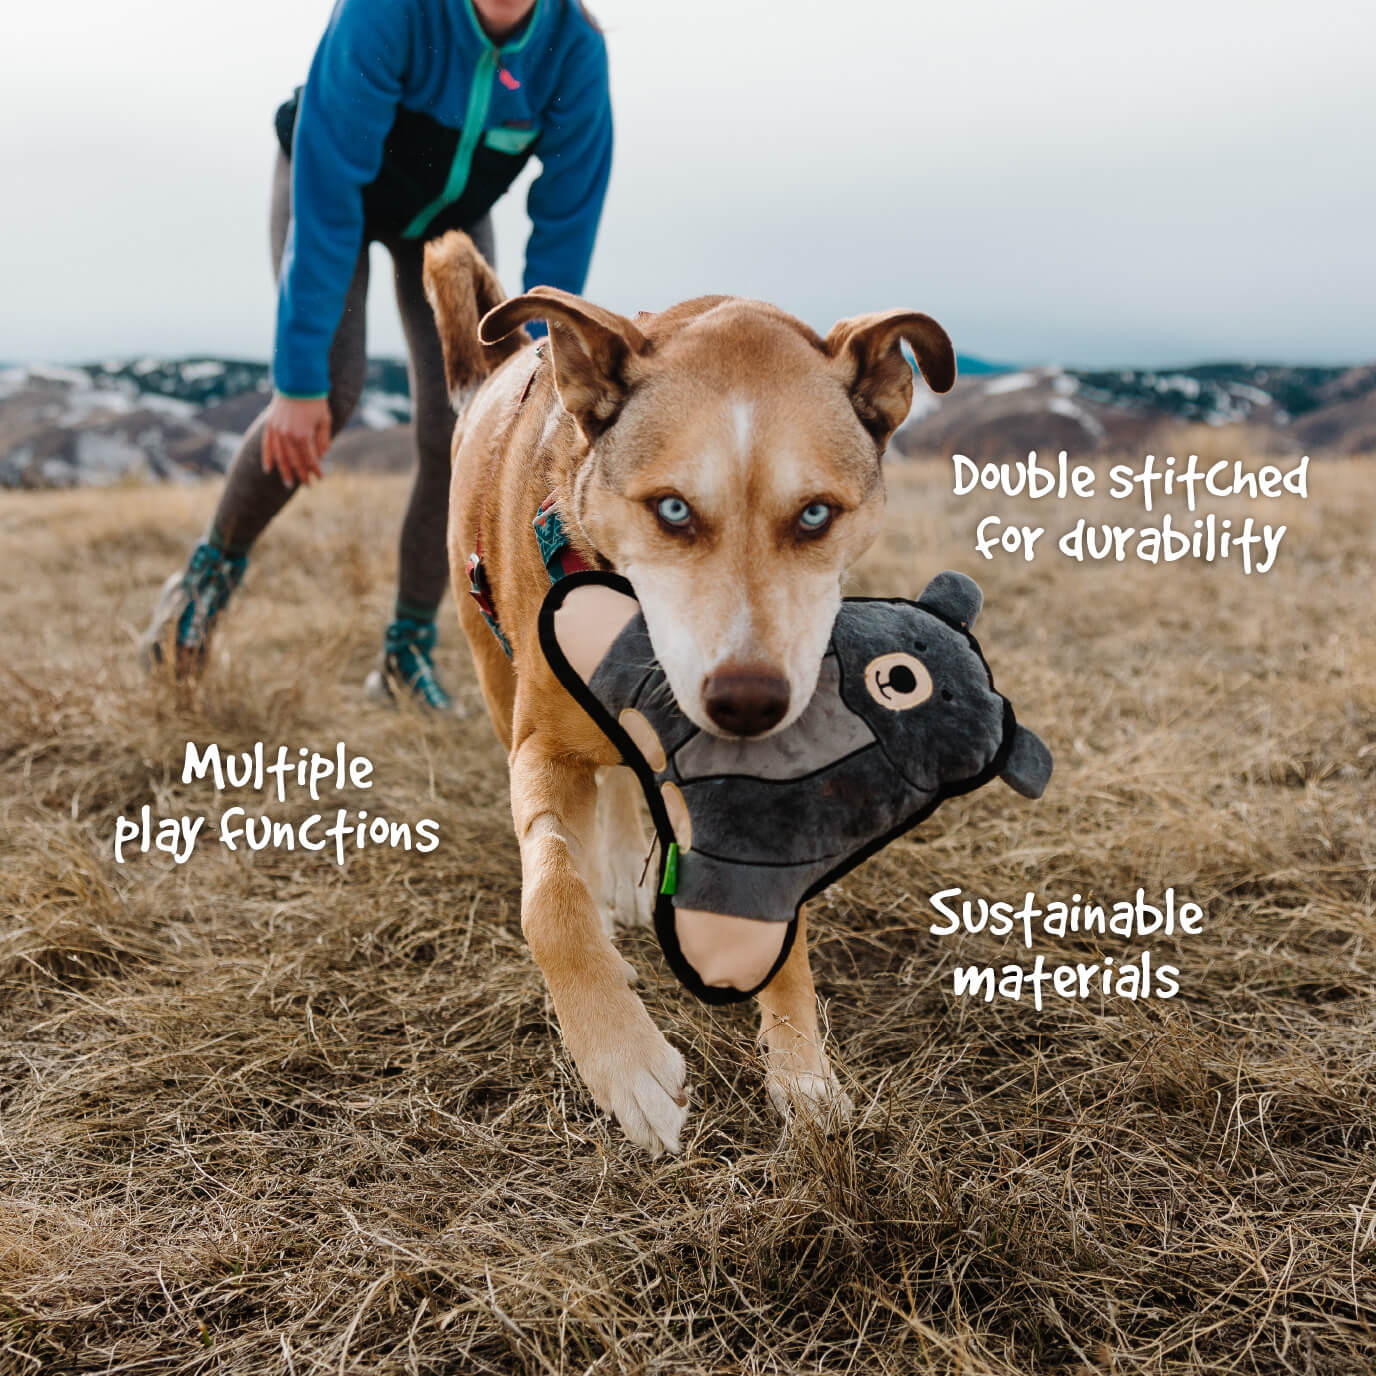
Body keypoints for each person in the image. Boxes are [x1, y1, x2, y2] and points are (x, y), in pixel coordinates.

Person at [140, 0, 612, 711]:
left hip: (447, 225)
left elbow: (565, 228)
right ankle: (198, 594)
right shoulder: (387, 11)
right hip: (336, 191)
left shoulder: (573, 50)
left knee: (468, 425)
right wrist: (297, 384)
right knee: (329, 390)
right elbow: (327, 201)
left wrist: (542, 379)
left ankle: (405, 656)